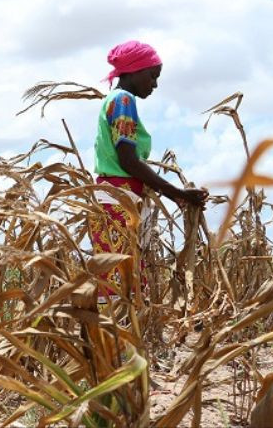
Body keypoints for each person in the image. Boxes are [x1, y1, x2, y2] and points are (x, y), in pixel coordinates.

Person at [89, 40, 208, 302]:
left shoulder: (116, 100)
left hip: (120, 201)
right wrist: (177, 192)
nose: (154, 84)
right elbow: (129, 160)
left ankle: (120, 341)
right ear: (134, 72)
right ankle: (114, 342)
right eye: (152, 76)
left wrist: (175, 195)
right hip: (118, 202)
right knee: (118, 289)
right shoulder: (123, 100)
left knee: (121, 283)